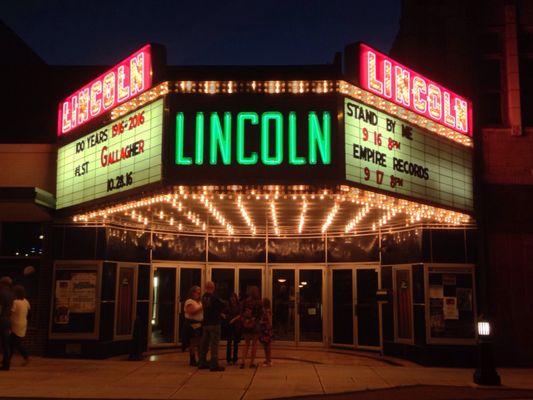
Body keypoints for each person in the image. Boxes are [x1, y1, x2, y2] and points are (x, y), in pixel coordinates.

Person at [198, 281, 225, 372]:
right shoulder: (214, 297)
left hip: (206, 323)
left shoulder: (203, 297)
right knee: (214, 344)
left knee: (204, 344)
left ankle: (202, 362)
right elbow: (222, 305)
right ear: (213, 288)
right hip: (214, 323)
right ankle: (214, 364)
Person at [239, 286, 262, 369]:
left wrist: (245, 320)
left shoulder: (245, 302)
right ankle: (252, 362)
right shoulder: (259, 302)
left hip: (246, 324)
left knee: (246, 344)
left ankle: (243, 362)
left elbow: (241, 313)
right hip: (255, 325)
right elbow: (260, 315)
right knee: (254, 344)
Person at [9, 285, 30, 366]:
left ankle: (26, 357)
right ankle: (7, 359)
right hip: (23, 323)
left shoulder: (15, 302)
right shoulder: (26, 301)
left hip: (15, 324)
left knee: (16, 343)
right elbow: (29, 313)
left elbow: (10, 312)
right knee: (13, 342)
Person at [183, 285, 203, 366]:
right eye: (197, 292)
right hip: (192, 324)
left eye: (199, 292)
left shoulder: (199, 302)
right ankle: (192, 359)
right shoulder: (189, 301)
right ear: (192, 293)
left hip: (199, 324)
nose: (198, 294)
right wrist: (202, 307)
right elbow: (191, 311)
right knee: (193, 342)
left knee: (199, 343)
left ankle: (201, 359)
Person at [0, 277, 13, 370]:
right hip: (7, 320)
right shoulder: (12, 294)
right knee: (5, 343)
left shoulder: (1, 293)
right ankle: (6, 364)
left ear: (3, 283)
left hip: (1, 319)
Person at [224, 293, 241, 365]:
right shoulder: (228, 306)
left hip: (236, 325)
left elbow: (240, 314)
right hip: (229, 325)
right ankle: (228, 359)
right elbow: (222, 313)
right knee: (229, 342)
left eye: (233, 297)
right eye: (231, 297)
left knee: (236, 342)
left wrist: (234, 319)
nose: (232, 299)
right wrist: (226, 318)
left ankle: (235, 358)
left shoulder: (238, 306)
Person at [259, 297, 273, 367]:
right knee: (265, 345)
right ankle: (267, 359)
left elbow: (269, 321)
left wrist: (263, 322)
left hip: (266, 330)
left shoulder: (267, 311)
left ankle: (269, 360)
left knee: (267, 346)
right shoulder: (263, 310)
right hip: (264, 329)